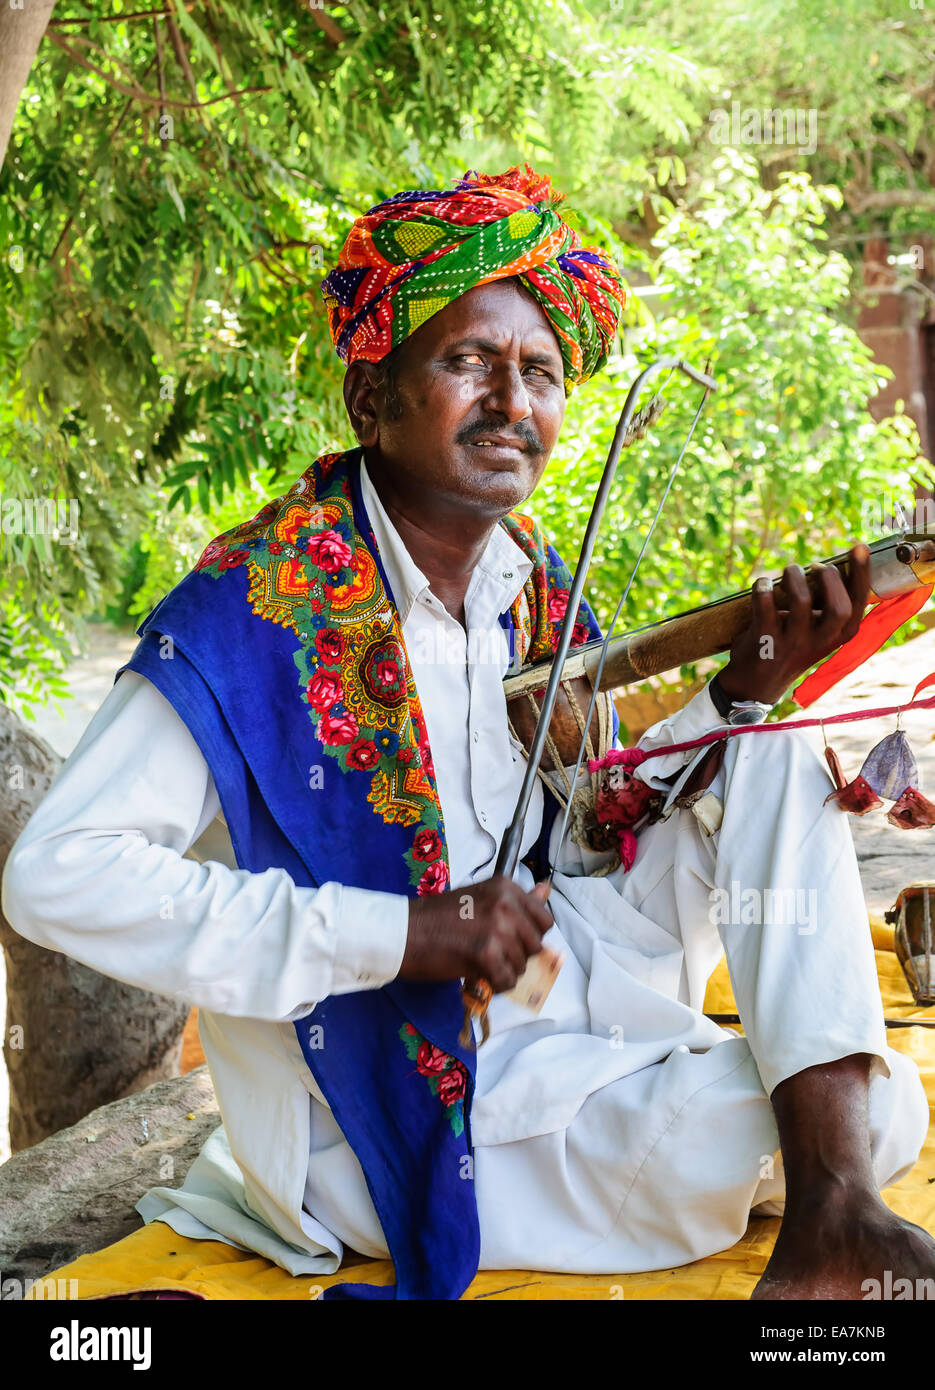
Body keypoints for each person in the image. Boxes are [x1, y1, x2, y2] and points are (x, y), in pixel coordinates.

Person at [3, 166, 933, 1302]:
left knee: (771, 760)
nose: (512, 402)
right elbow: (55, 877)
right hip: (373, 1101)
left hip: (559, 993)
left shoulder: (529, 584)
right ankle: (781, 1157)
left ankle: (823, 1203)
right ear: (370, 400)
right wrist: (399, 932)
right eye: (466, 363)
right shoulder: (255, 610)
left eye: (537, 372)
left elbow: (593, 835)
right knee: (812, 1114)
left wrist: (736, 694)